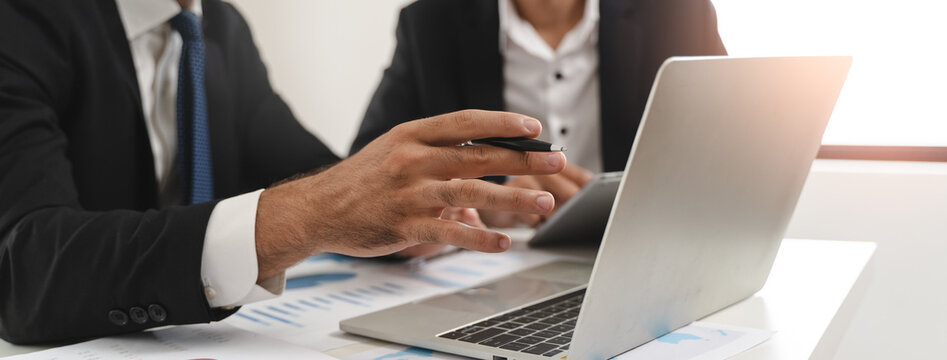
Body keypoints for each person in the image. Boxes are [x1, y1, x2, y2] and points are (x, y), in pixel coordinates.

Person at [0, 0, 568, 344]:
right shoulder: (20, 22)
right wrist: (313, 214)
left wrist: (407, 219)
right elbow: (25, 271)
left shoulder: (217, 26)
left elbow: (321, 176)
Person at [351, 0, 727, 227]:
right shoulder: (431, 23)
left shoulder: (679, 11)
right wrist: (487, 202)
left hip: (637, 247)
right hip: (493, 264)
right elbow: (367, 176)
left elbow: (729, 155)